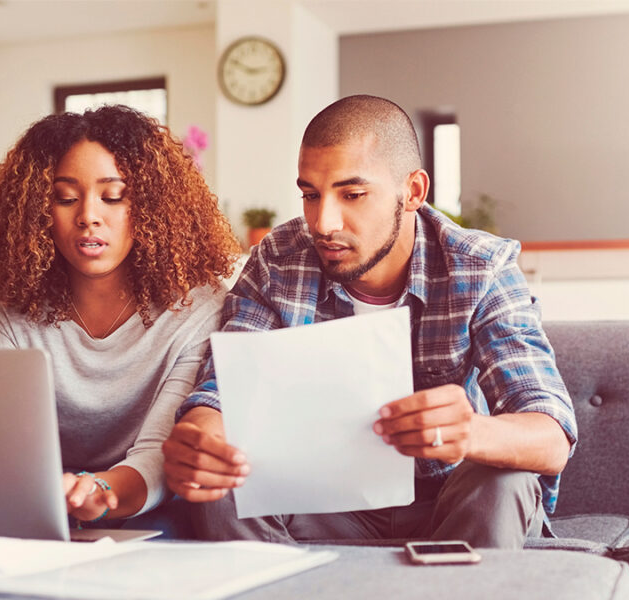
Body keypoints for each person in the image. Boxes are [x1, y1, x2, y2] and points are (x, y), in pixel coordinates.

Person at [162, 95, 577, 548]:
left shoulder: (479, 268)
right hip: (324, 503)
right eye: (310, 195)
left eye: (352, 194)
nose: (324, 222)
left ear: (413, 192)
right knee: (223, 483)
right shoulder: (278, 262)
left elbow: (550, 435)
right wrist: (204, 436)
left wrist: (472, 431)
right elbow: (222, 391)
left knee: (505, 480)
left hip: (449, 503)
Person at [0, 105, 241, 528]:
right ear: (38, 210)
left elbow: (160, 452)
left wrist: (101, 492)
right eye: (65, 198)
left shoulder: (195, 307)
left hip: (148, 504)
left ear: (150, 207)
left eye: (114, 196)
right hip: (39, 502)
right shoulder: (4, 308)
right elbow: (3, 447)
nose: (89, 215)